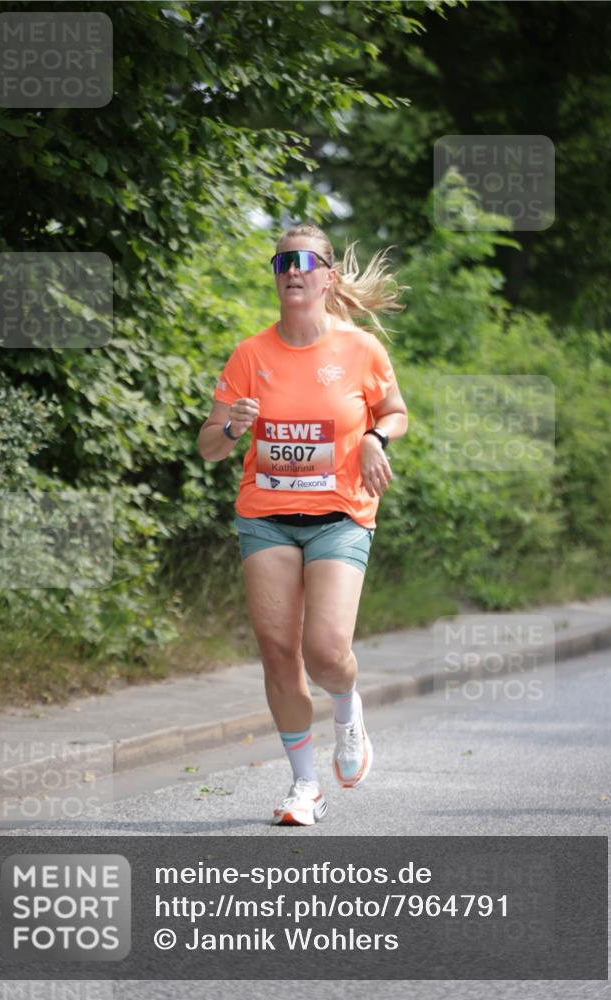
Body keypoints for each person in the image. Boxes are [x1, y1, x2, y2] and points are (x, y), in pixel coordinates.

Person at [197, 222, 408, 826]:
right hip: (265, 517)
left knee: (325, 650)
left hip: (340, 516)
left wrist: (374, 436)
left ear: (326, 275)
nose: (292, 269)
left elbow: (396, 412)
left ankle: (347, 711)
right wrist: (235, 426)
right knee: (277, 652)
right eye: (282, 261)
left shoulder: (361, 349)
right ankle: (304, 786)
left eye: (304, 260)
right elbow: (209, 447)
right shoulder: (250, 354)